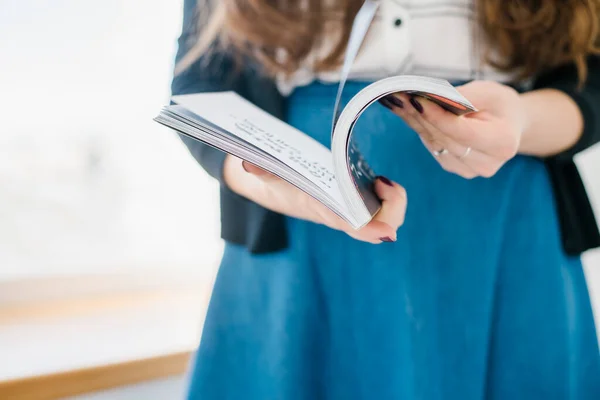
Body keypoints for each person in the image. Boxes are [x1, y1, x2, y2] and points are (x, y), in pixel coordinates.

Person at [172, 0, 600, 398]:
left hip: (508, 229)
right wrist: (263, 179)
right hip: (299, 234)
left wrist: (522, 121)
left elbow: (592, 78)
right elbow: (200, 77)